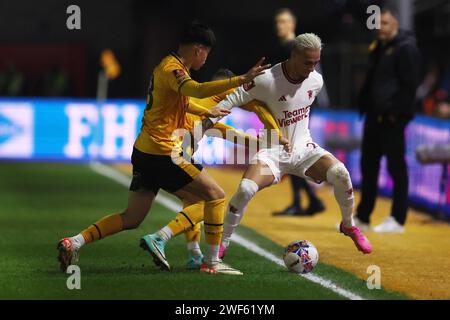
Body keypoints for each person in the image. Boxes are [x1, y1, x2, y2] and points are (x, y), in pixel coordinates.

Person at [57, 21, 270, 275]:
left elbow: (187, 104)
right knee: (216, 196)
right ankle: (204, 259)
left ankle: (75, 242)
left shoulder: (169, 67)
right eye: (207, 54)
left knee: (132, 218)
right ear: (199, 49)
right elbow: (197, 90)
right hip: (163, 152)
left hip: (145, 152)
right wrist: (242, 79)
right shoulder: (174, 70)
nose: (206, 59)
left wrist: (208, 112)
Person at [201, 33, 373, 258]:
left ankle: (348, 225)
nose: (312, 68)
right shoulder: (266, 79)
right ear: (293, 55)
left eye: (316, 63)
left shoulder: (316, 81)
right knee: (245, 189)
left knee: (340, 173)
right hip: (272, 154)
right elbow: (233, 98)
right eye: (307, 62)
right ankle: (223, 242)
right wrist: (206, 122)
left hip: (303, 150)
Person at [144, 68, 288, 271]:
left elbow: (232, 135)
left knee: (192, 202)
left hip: (164, 153)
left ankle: (194, 254)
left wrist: (267, 142)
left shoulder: (205, 107)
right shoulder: (223, 96)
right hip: (175, 154)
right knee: (212, 199)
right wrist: (277, 134)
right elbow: (258, 106)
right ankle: (160, 237)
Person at [355, 7, 421, 233]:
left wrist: (397, 113)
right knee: (368, 166)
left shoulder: (405, 48)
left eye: (384, 23)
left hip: (392, 118)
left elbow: (410, 85)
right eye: (377, 23)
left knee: (396, 167)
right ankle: (363, 217)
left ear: (395, 24)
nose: (379, 27)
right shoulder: (379, 47)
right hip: (374, 115)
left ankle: (397, 219)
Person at [270, 8, 327, 216]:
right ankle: (310, 200)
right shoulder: (298, 46)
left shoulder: (292, 47)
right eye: (278, 22)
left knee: (292, 154)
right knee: (292, 154)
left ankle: (303, 201)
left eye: (284, 22)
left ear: (292, 25)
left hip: (297, 108)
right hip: (299, 107)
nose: (280, 26)